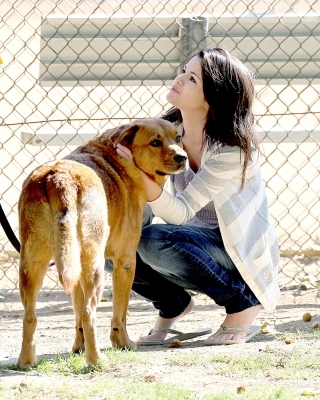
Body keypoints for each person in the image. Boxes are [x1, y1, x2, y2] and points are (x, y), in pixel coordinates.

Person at [113, 47, 280, 345]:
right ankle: (172, 304)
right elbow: (143, 207)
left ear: (211, 99)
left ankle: (243, 302)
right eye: (184, 71)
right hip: (190, 241)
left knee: (154, 241)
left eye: (191, 79)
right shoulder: (168, 132)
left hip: (232, 250)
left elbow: (181, 211)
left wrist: (138, 174)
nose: (178, 79)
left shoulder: (231, 149)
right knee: (112, 242)